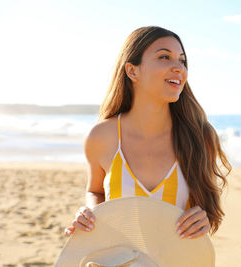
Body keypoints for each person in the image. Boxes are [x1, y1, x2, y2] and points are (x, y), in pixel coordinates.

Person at [64, 26, 231, 240]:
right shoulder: (102, 136)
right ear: (132, 71)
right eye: (164, 57)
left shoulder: (199, 136)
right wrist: (90, 216)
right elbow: (95, 192)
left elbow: (208, 208)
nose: (179, 68)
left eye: (182, 60)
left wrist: (203, 218)